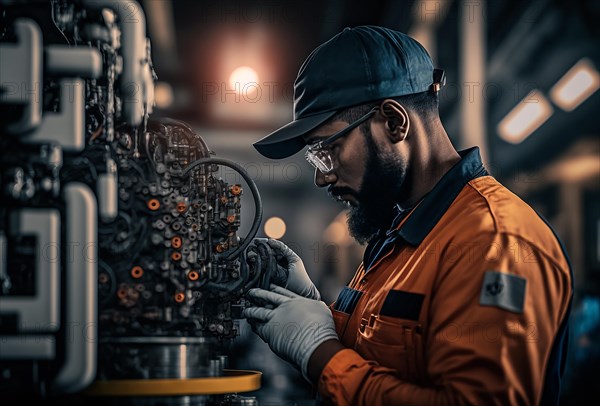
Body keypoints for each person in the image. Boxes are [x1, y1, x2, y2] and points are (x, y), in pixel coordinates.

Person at [243, 25, 573, 405]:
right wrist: (320, 313)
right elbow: (387, 354)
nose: (322, 176)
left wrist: (319, 354)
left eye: (326, 149)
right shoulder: (399, 236)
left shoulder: (492, 241)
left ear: (394, 122)